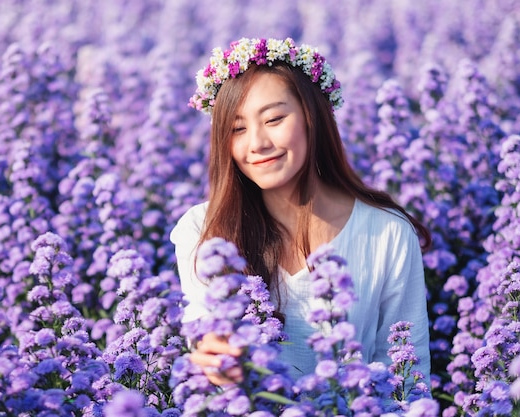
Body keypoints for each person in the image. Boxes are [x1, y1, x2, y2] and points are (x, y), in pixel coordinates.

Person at [170, 37, 431, 387]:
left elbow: (408, 374)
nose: (257, 143)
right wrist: (212, 353)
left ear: (313, 118)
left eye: (274, 119)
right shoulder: (202, 228)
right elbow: (201, 330)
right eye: (237, 129)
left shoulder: (386, 232)